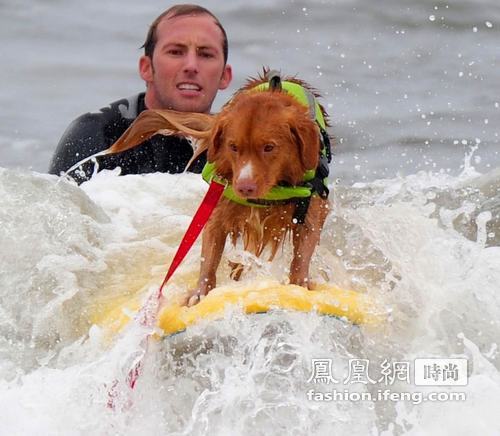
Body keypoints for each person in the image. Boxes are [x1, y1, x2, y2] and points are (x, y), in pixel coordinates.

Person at [48, 4, 233, 184]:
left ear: (225, 76)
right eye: (176, 52)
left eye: (206, 55)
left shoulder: (236, 145)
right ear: (146, 68)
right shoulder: (98, 134)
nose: (191, 66)